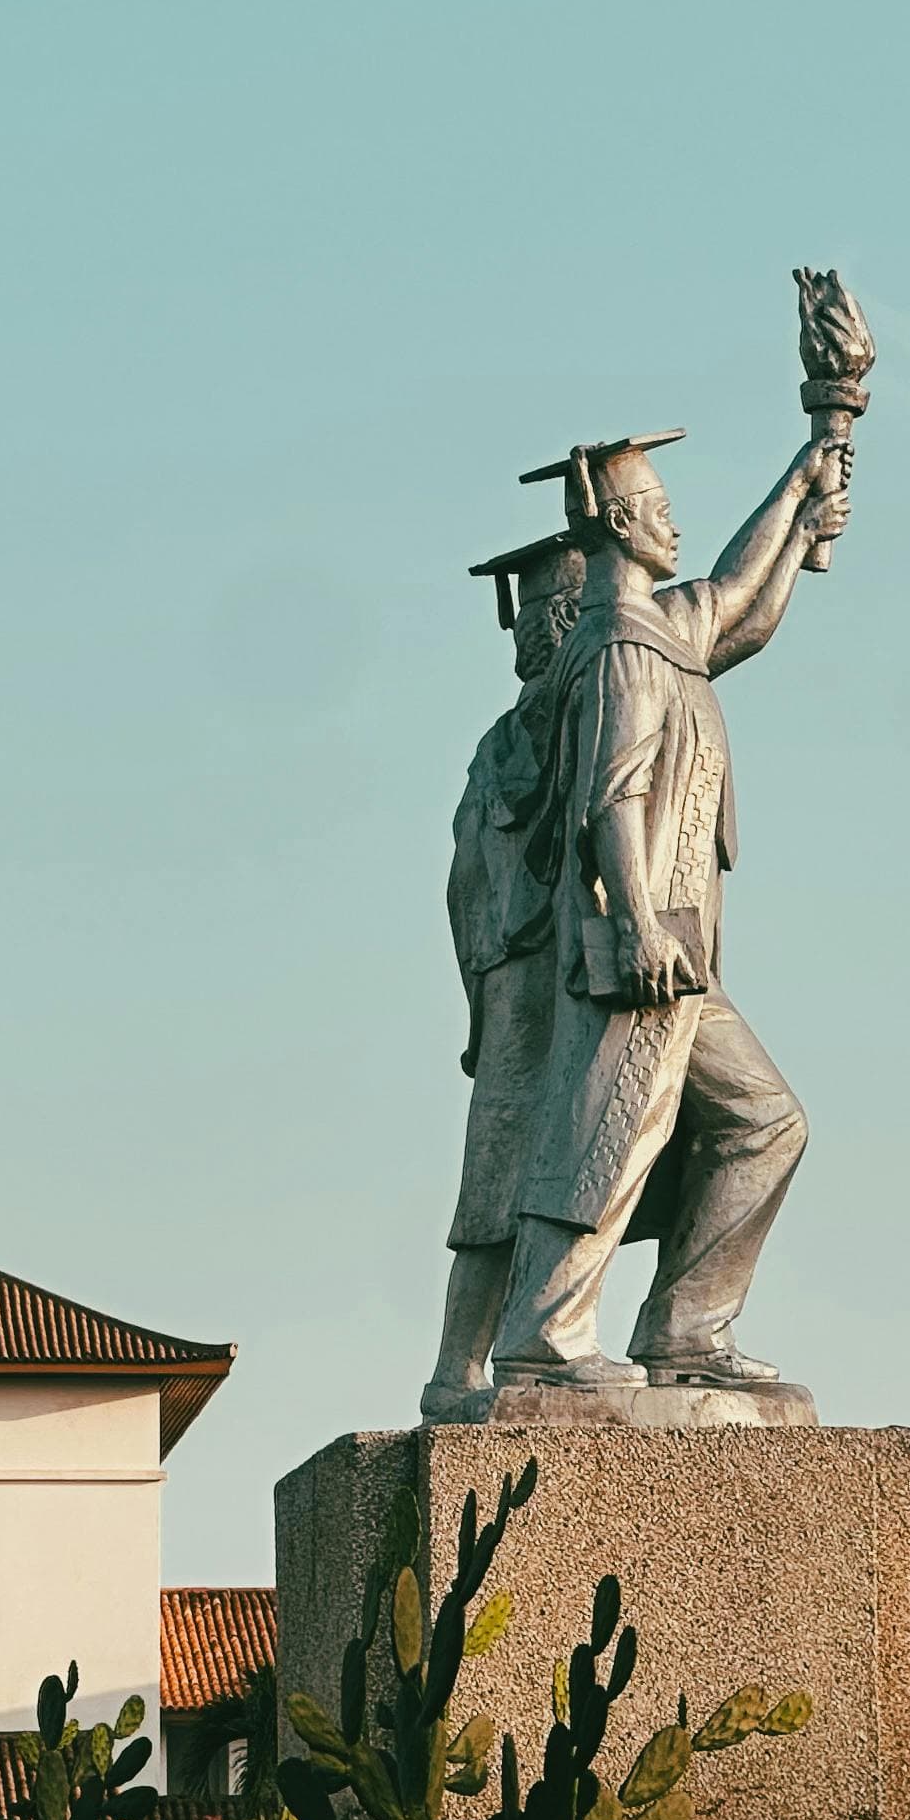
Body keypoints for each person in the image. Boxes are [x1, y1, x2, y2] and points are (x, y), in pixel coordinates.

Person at [486, 428, 850, 1393]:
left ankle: (688, 1326)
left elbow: (742, 603)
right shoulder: (616, 651)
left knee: (764, 1121)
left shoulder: (658, 631)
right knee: (606, 1132)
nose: (671, 517)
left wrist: (807, 472)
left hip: (682, 958)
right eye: (655, 507)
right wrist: (638, 920)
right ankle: (543, 1339)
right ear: (615, 523)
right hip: (635, 949)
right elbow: (612, 794)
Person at [422, 533, 587, 1421]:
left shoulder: (493, 743)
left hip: (499, 985)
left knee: (499, 1174)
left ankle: (462, 1363)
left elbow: (458, 888)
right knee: (524, 1173)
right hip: (539, 978)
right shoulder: (564, 717)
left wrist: (475, 1005)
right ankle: (476, 1360)